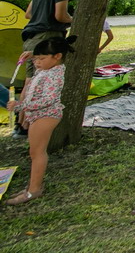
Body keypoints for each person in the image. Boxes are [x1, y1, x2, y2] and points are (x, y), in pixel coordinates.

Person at [4, 35, 74, 205]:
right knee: (34, 152)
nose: (37, 62)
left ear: (57, 56)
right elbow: (39, 74)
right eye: (36, 59)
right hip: (39, 115)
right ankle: (32, 186)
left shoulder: (54, 75)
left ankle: (34, 190)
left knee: (37, 153)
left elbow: (49, 100)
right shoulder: (48, 68)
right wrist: (33, 55)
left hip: (46, 115)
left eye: (42, 58)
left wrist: (21, 106)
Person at [19, 0, 85, 86]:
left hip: (31, 38)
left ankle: (22, 106)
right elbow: (60, 16)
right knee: (44, 82)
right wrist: (74, 20)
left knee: (30, 80)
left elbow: (28, 14)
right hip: (47, 38)